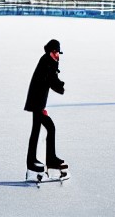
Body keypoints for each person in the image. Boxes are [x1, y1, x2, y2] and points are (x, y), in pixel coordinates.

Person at [24, 39, 67, 175]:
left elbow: (50, 80)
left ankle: (50, 159)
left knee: (47, 128)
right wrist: (62, 87)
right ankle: (33, 161)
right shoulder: (47, 62)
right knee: (38, 130)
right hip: (37, 103)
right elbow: (51, 81)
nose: (57, 55)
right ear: (50, 51)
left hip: (38, 103)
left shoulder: (48, 61)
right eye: (55, 52)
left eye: (58, 53)